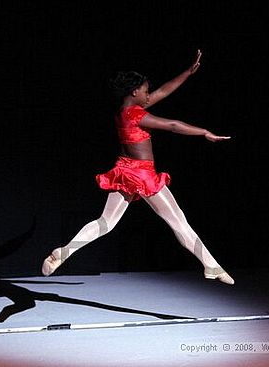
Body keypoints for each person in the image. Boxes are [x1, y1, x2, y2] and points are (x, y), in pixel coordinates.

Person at [42, 50, 234, 285]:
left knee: (105, 223)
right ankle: (211, 265)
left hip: (124, 170)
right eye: (145, 90)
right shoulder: (135, 114)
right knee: (178, 221)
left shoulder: (123, 110)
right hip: (143, 175)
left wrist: (187, 73)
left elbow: (163, 91)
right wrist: (204, 132)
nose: (148, 94)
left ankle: (64, 252)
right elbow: (172, 125)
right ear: (134, 92)